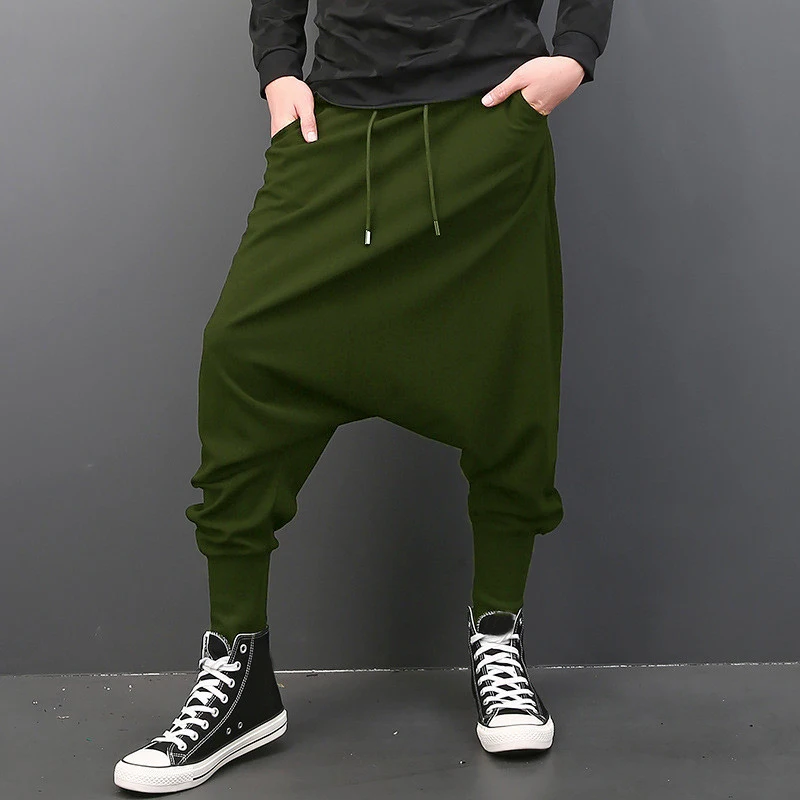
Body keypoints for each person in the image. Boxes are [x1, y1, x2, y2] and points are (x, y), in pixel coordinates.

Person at [114, 0, 614, 792]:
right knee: (244, 353)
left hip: (487, 125)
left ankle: (497, 636)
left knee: (507, 376)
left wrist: (576, 54)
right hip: (338, 128)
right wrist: (279, 69)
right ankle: (240, 671)